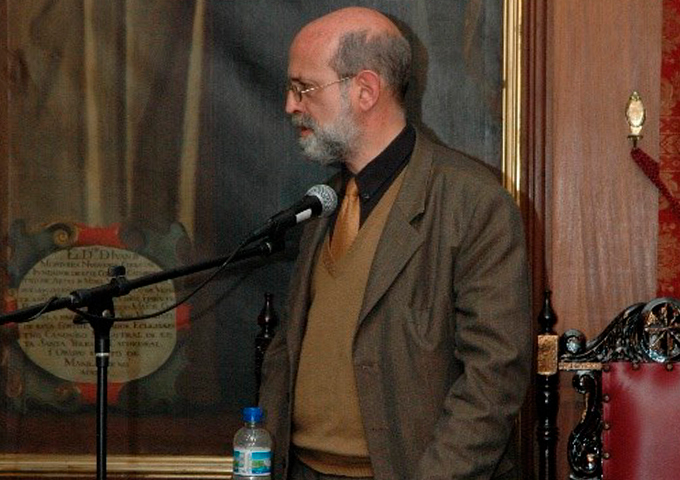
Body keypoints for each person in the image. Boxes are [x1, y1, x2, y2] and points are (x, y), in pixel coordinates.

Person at [258, 6, 531, 480]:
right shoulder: (328, 199)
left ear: (365, 90)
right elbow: (288, 349)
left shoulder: (472, 202)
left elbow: (493, 380)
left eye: (304, 88)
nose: (291, 105)